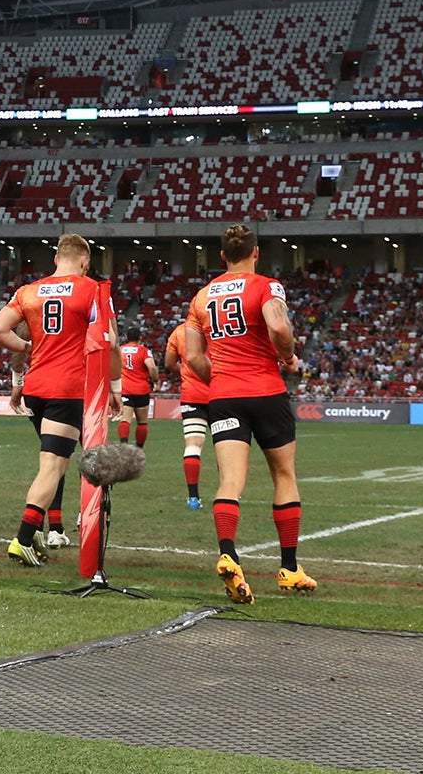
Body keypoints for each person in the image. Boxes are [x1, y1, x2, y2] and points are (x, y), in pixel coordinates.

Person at [183, 223, 315, 601]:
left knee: (230, 482)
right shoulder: (267, 286)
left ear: (222, 256)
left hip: (224, 395)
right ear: (256, 253)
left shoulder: (201, 297)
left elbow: (193, 357)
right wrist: (288, 357)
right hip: (267, 391)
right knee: (284, 475)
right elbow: (278, 325)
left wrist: (220, 379)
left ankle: (228, 554)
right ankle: (289, 568)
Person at [0, 233, 107, 567]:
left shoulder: (28, 291)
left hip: (35, 389)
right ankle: (23, 538)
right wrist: (112, 387)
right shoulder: (90, 289)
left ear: (56, 259)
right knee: (53, 466)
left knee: (58, 463)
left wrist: (28, 348)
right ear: (85, 262)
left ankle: (37, 533)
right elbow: (105, 341)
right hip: (66, 389)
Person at [165, 317, 209, 508]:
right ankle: (230, 495)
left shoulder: (179, 332)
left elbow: (169, 362)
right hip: (221, 393)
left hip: (192, 394)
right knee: (228, 448)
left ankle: (193, 498)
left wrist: (183, 371)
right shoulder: (217, 327)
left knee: (193, 446)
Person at [115, 322, 157, 449]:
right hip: (141, 389)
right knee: (142, 422)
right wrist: (155, 379)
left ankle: (123, 445)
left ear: (127, 338)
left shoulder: (120, 350)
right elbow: (151, 367)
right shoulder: (144, 351)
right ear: (140, 338)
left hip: (125, 389)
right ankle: (139, 448)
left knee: (125, 419)